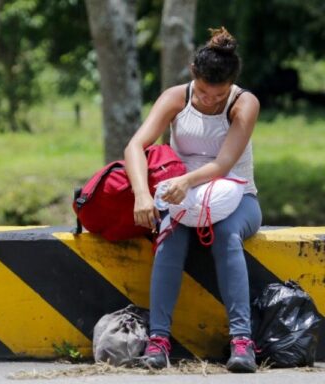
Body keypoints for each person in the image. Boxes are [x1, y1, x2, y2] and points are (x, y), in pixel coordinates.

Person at [124, 27, 262, 373]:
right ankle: (158, 341)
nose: (210, 100)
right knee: (169, 236)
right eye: (203, 92)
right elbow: (134, 147)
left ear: (231, 86)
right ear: (192, 73)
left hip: (237, 194)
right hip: (183, 197)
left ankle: (242, 341)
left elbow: (223, 164)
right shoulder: (176, 97)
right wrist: (142, 195)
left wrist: (184, 181)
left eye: (219, 95)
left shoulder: (244, 104)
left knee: (226, 236)